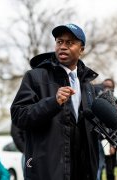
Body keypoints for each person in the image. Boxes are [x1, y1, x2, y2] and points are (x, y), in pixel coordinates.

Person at [10, 23, 99, 180]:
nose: (63, 46)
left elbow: (93, 128)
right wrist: (53, 102)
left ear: (82, 49)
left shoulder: (88, 85)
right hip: (49, 170)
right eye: (59, 42)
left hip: (82, 171)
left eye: (70, 43)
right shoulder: (35, 77)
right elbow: (19, 115)